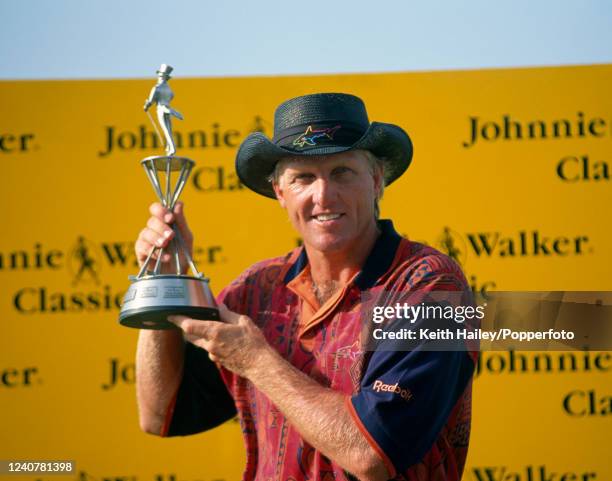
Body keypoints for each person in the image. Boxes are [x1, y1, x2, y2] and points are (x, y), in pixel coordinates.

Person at [134, 93, 477, 481]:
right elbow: (161, 413)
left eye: (342, 172)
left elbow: (371, 455)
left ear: (377, 180)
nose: (323, 195)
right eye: (303, 177)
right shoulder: (255, 289)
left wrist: (256, 361)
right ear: (280, 193)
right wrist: (163, 277)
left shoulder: (429, 284)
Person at [144, 64, 184, 156]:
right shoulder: (168, 89)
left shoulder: (156, 88)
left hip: (161, 109)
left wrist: (146, 106)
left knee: (166, 130)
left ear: (161, 76)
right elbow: (172, 96)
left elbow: (151, 101)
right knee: (169, 129)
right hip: (168, 108)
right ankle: (169, 147)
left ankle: (172, 149)